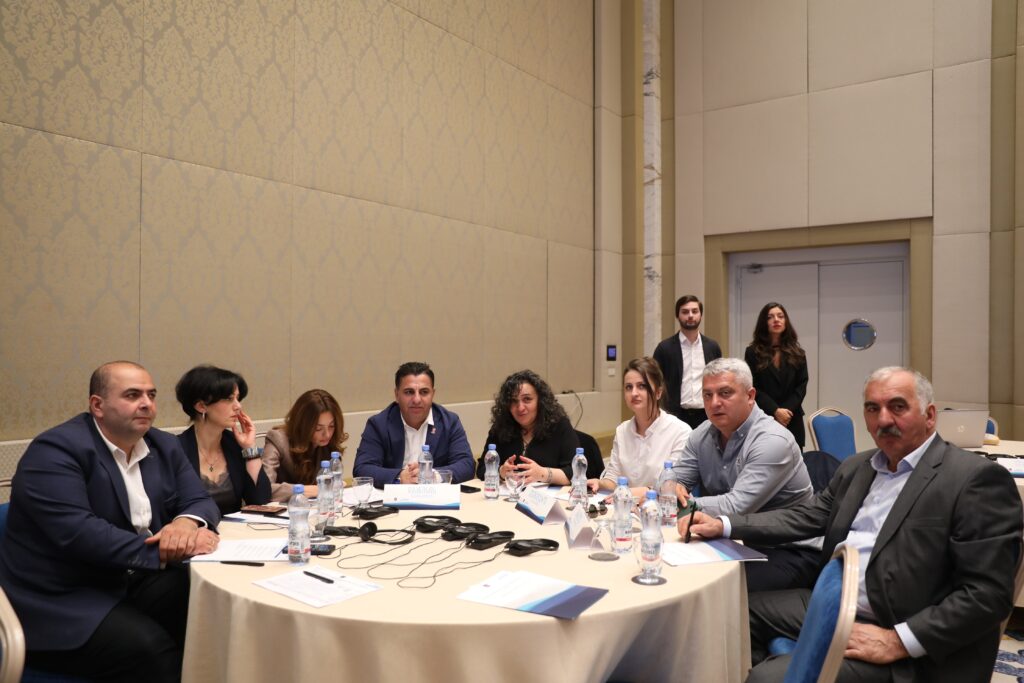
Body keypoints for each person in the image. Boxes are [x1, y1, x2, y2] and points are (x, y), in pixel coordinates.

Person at [682, 367, 1023, 683]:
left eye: (898, 407)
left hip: (902, 634)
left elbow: (988, 594)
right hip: (836, 602)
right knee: (731, 613)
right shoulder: (858, 468)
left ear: (929, 415)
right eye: (873, 408)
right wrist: (725, 525)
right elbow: (805, 517)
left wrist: (898, 640)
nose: (883, 419)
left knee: (766, 679)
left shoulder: (973, 480)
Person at [0, 361, 220, 682]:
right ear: (97, 405)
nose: (146, 403)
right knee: (152, 651)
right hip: (63, 594)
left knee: (207, 609)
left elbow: (198, 500)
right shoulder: (55, 451)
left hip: (129, 577)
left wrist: (185, 526)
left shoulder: (164, 445)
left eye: (151, 395)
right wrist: (166, 549)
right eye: (132, 395)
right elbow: (80, 533)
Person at [673, 357, 816, 591]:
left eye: (725, 393)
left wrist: (681, 504)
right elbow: (673, 478)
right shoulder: (702, 433)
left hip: (786, 548)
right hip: (732, 539)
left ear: (750, 396)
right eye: (707, 395)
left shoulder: (773, 440)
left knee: (708, 587)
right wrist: (671, 487)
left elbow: (737, 506)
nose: (714, 403)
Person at [354, 362, 474, 487]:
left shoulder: (449, 422)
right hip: (395, 496)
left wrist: (433, 475)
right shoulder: (379, 425)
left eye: (424, 392)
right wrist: (400, 477)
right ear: (397, 395)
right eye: (409, 392)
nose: (417, 400)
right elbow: (362, 469)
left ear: (433, 394)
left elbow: (467, 465)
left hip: (434, 495)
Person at [589, 357, 692, 497]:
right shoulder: (622, 431)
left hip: (664, 507)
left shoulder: (680, 431)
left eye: (642, 386)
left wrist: (627, 493)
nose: (634, 393)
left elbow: (670, 486)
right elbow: (613, 478)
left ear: (658, 392)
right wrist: (599, 483)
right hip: (627, 506)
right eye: (628, 387)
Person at [175, 364, 271, 514]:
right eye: (229, 399)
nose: (238, 406)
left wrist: (250, 448)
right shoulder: (176, 449)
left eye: (238, 398)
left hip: (235, 528)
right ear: (201, 406)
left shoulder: (234, 444)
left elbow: (261, 501)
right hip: (195, 527)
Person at [475, 369, 579, 485]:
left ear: (540, 401)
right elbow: (482, 469)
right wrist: (500, 472)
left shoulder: (559, 426)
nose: (520, 408)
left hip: (550, 495)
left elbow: (576, 473)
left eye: (527, 399)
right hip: (510, 494)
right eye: (513, 401)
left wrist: (543, 474)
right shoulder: (501, 427)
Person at [262, 389, 348, 502]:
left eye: (331, 426)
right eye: (318, 428)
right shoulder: (278, 440)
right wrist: (305, 490)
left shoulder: (329, 444)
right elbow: (263, 489)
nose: (327, 434)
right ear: (303, 425)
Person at [744, 302, 809, 449]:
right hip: (764, 416)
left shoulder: (798, 353)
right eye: (770, 317)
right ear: (764, 322)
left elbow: (801, 385)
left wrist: (786, 412)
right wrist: (775, 410)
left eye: (780, 316)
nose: (776, 320)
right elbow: (752, 386)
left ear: (786, 321)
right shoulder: (752, 352)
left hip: (792, 418)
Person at [653, 295, 723, 429]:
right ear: (677, 316)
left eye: (695, 311)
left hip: (706, 414)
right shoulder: (664, 348)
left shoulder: (712, 347)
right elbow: (655, 382)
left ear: (701, 315)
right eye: (685, 312)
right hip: (675, 415)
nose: (690, 315)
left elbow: (719, 380)